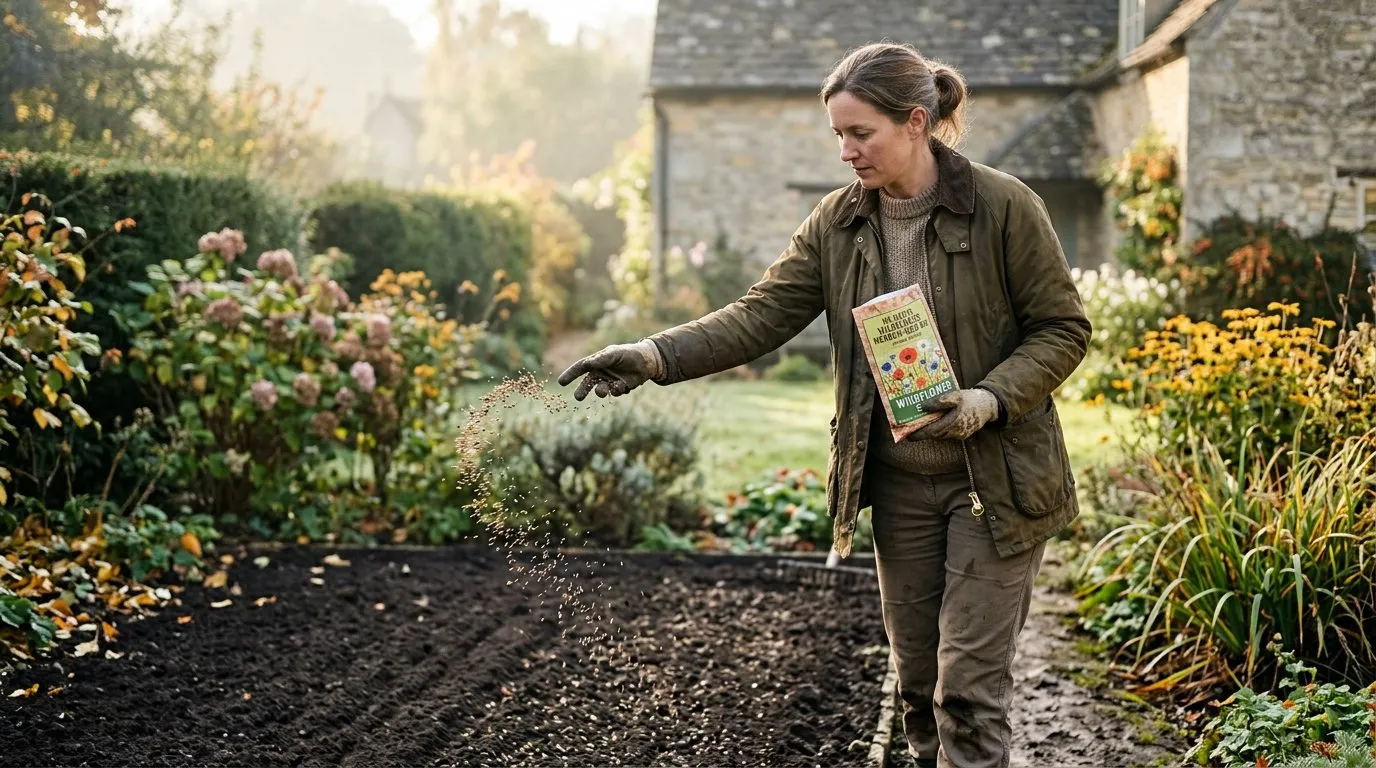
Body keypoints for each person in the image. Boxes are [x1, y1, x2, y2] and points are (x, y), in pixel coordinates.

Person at [558, 41, 1090, 768]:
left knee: (966, 694)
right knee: (917, 688)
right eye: (837, 135)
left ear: (914, 122)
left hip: (991, 483)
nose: (845, 152)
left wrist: (990, 398)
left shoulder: (1003, 207)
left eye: (859, 134)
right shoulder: (837, 223)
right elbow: (760, 314)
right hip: (899, 484)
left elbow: (1064, 328)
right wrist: (653, 357)